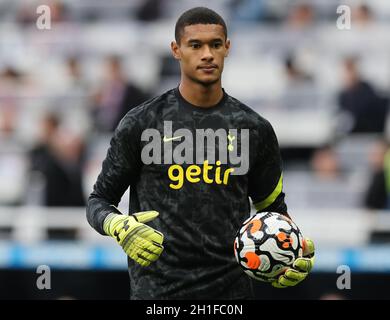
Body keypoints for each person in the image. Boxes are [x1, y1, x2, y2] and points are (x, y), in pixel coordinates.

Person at [86, 7, 315, 299]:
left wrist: (290, 251)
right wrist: (117, 224)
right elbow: (98, 201)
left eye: (215, 44)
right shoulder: (141, 123)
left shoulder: (255, 129)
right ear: (176, 49)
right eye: (195, 45)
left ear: (227, 48)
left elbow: (274, 212)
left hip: (231, 299)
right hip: (157, 298)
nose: (207, 54)